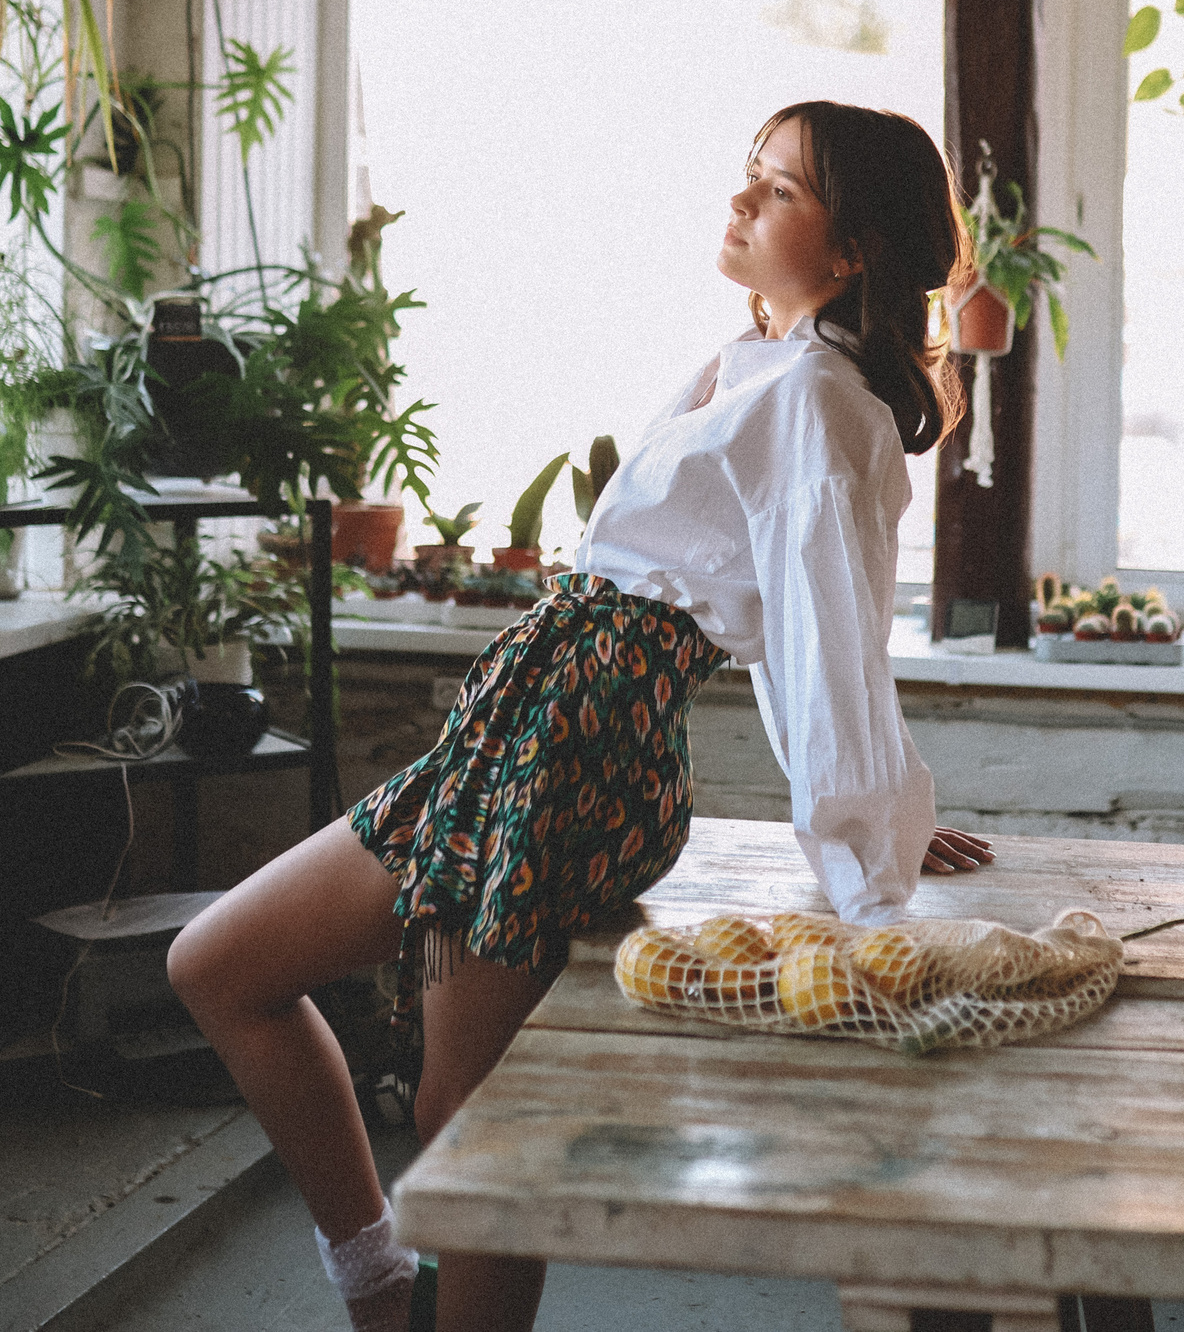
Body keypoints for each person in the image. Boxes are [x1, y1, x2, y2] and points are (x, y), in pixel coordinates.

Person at [167, 101, 996, 1332]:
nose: (740, 203)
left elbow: (820, 641)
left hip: (573, 750)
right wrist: (886, 805)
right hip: (511, 733)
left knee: (473, 1117)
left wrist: (874, 844)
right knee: (221, 966)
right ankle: (380, 1289)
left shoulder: (819, 405)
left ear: (853, 249)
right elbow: (771, 613)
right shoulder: (752, 363)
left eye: (776, 191)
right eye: (747, 175)